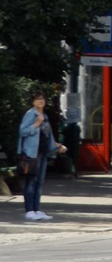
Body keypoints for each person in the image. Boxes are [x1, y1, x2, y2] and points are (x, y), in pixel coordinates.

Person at [17, 91, 68, 221]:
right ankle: (29, 210)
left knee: (39, 182)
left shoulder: (44, 115)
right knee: (31, 181)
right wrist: (36, 124)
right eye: (37, 99)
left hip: (43, 152)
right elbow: (22, 131)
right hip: (32, 153)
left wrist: (57, 146)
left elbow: (48, 136)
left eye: (42, 99)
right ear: (33, 102)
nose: (40, 101)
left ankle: (37, 209)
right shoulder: (31, 114)